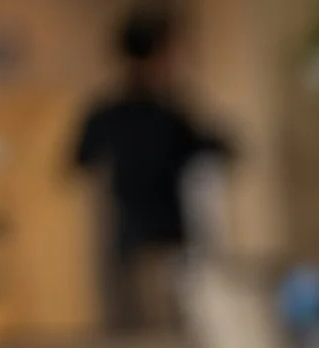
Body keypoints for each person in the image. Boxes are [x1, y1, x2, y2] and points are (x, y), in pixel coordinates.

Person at [72, 9, 229, 331]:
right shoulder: (165, 112)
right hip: (159, 238)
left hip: (129, 238)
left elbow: (80, 160)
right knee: (162, 337)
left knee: (138, 335)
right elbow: (218, 147)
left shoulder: (110, 110)